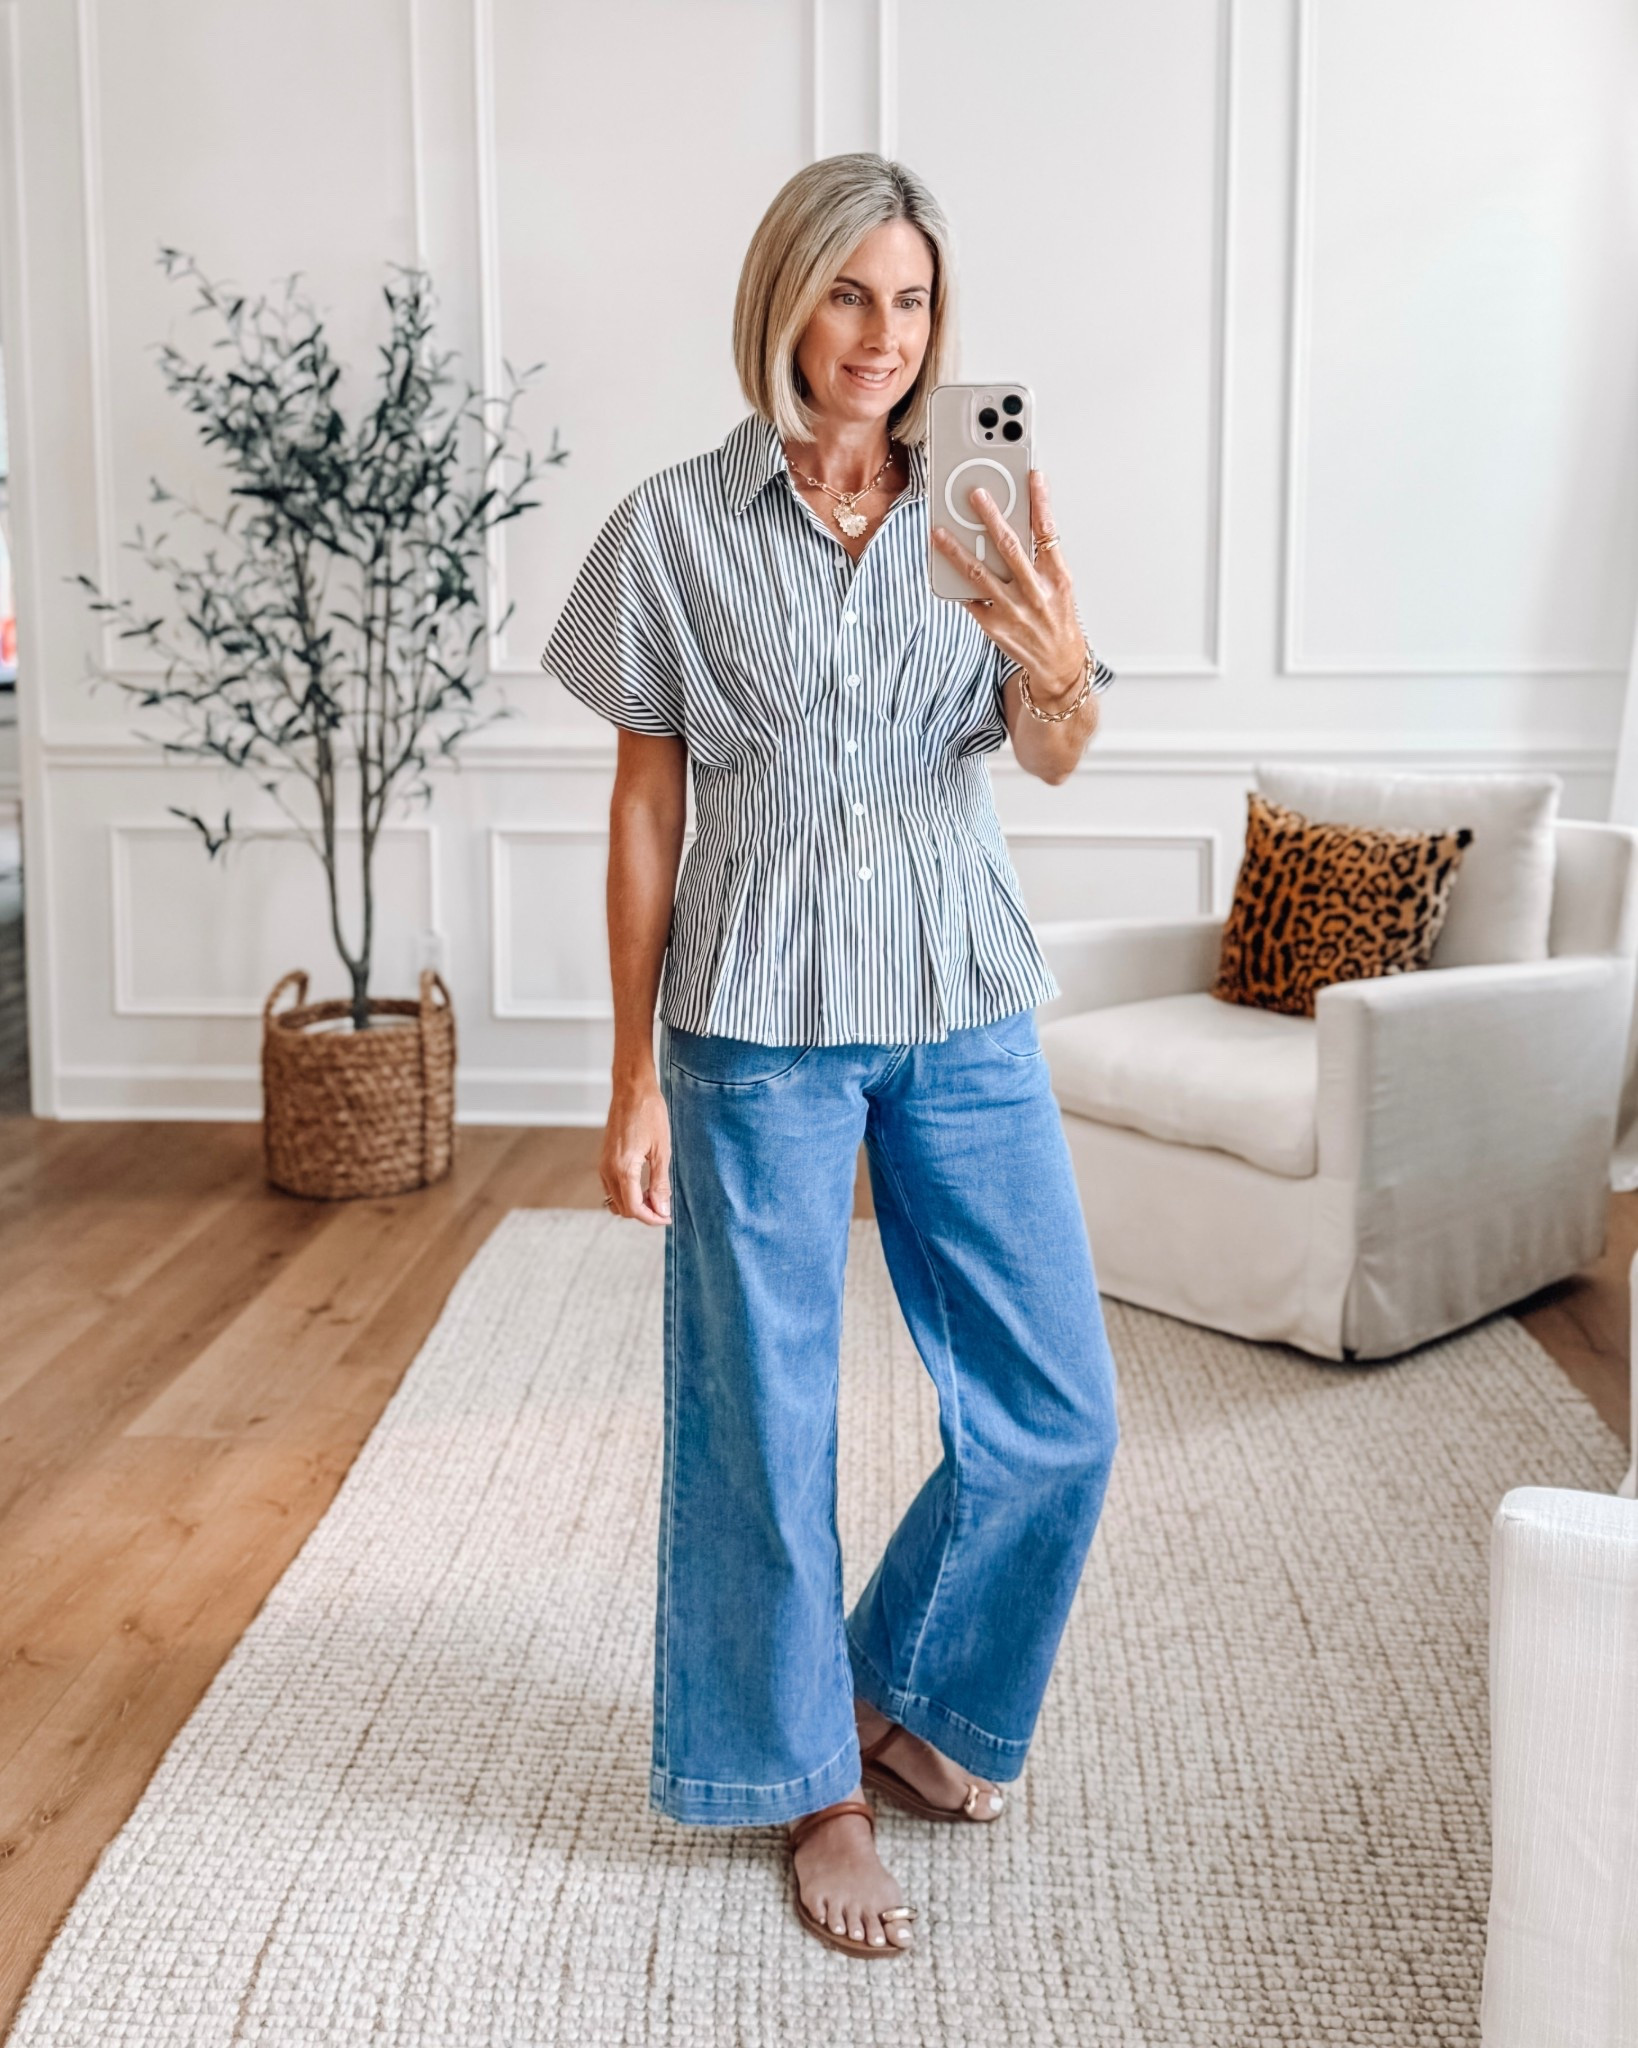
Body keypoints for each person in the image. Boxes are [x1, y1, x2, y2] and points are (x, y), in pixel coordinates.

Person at [540, 151, 1120, 1961]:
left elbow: (1051, 753)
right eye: (851, 294)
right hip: (754, 1025)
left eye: (916, 300)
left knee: (1059, 1415)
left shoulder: (984, 502)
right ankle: (814, 1786)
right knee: (760, 1424)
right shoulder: (669, 527)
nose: (884, 337)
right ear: (786, 300)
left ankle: (898, 1689)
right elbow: (647, 812)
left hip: (958, 990)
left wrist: (1061, 663)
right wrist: (626, 1074)